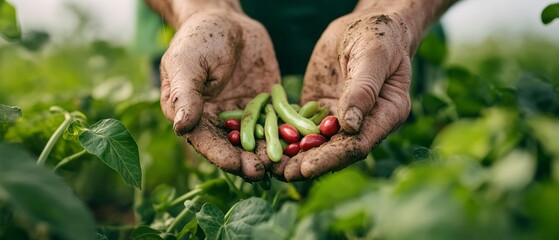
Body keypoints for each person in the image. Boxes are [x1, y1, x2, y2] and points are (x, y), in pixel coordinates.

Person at [144, 0, 458, 182]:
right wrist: (203, 10)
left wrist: (393, 12)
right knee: (214, 190)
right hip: (219, 61)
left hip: (380, 51)